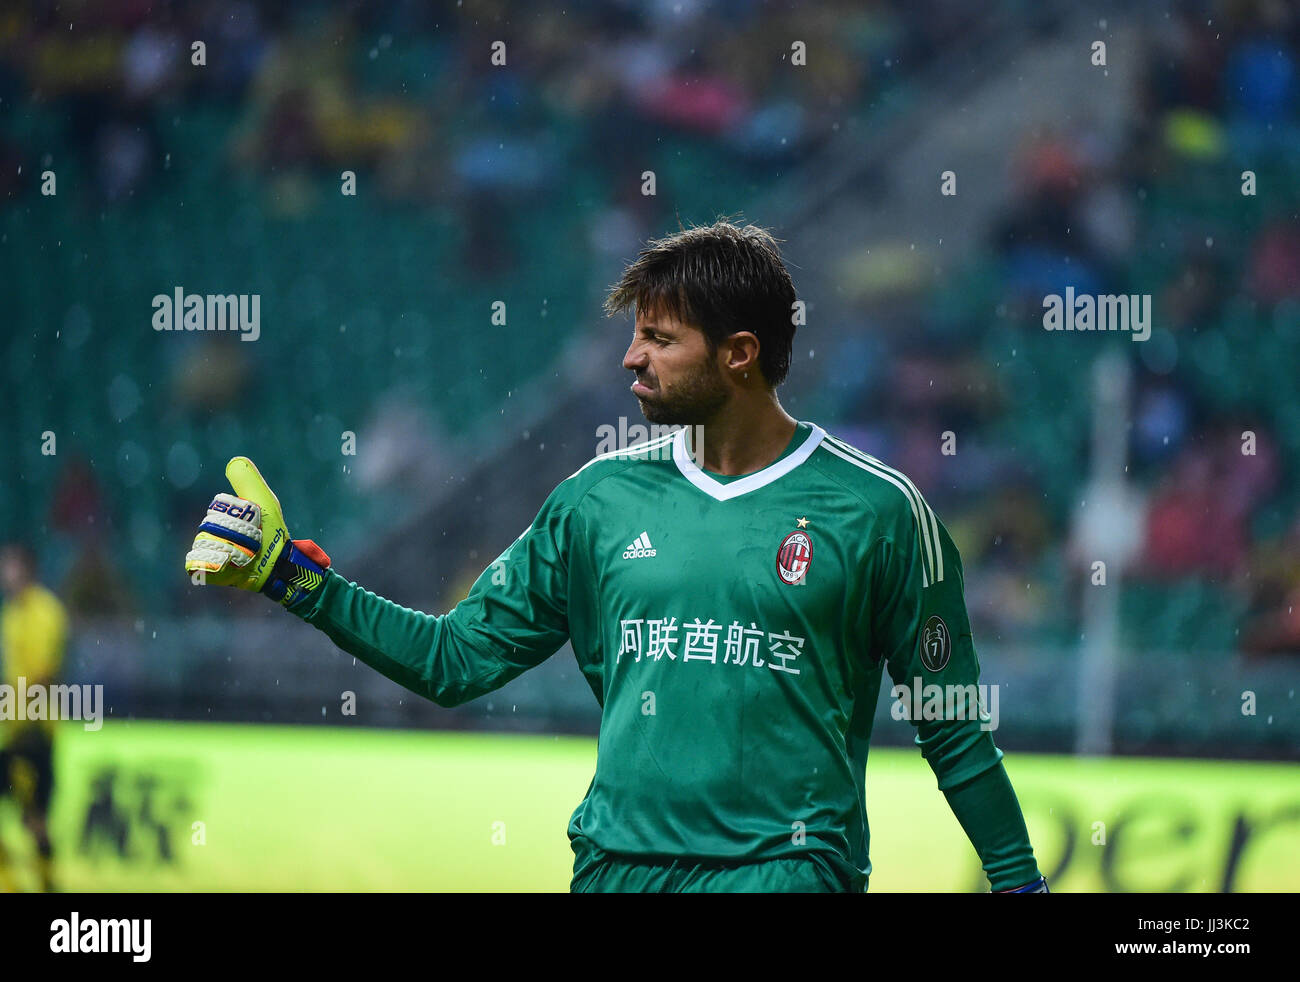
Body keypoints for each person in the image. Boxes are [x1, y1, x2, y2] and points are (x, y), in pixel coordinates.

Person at [184, 220, 1047, 893]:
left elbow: (956, 732)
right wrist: (293, 579)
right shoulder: (595, 503)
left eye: (661, 340)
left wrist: (1019, 883)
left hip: (782, 873)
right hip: (614, 869)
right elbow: (454, 661)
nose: (632, 358)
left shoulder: (881, 513)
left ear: (740, 355)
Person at [0, 542, 69, 892]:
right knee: (30, 816)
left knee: (35, 818)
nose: (5, 573)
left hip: (35, 730)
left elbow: (43, 674)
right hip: (13, 731)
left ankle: (46, 884)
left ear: (27, 567)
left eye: (10, 565)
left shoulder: (45, 611)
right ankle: (13, 881)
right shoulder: (10, 613)